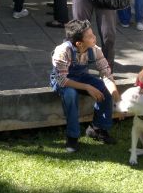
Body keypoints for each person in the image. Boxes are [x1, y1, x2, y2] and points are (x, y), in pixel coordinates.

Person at [50, 19, 119, 153]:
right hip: (64, 80)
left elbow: (106, 74)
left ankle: (97, 128)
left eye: (93, 34)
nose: (94, 38)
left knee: (104, 89)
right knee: (70, 95)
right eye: (90, 36)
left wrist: (116, 94)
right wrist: (87, 87)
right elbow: (62, 80)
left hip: (81, 77)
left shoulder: (95, 50)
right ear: (79, 43)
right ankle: (72, 136)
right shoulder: (62, 51)